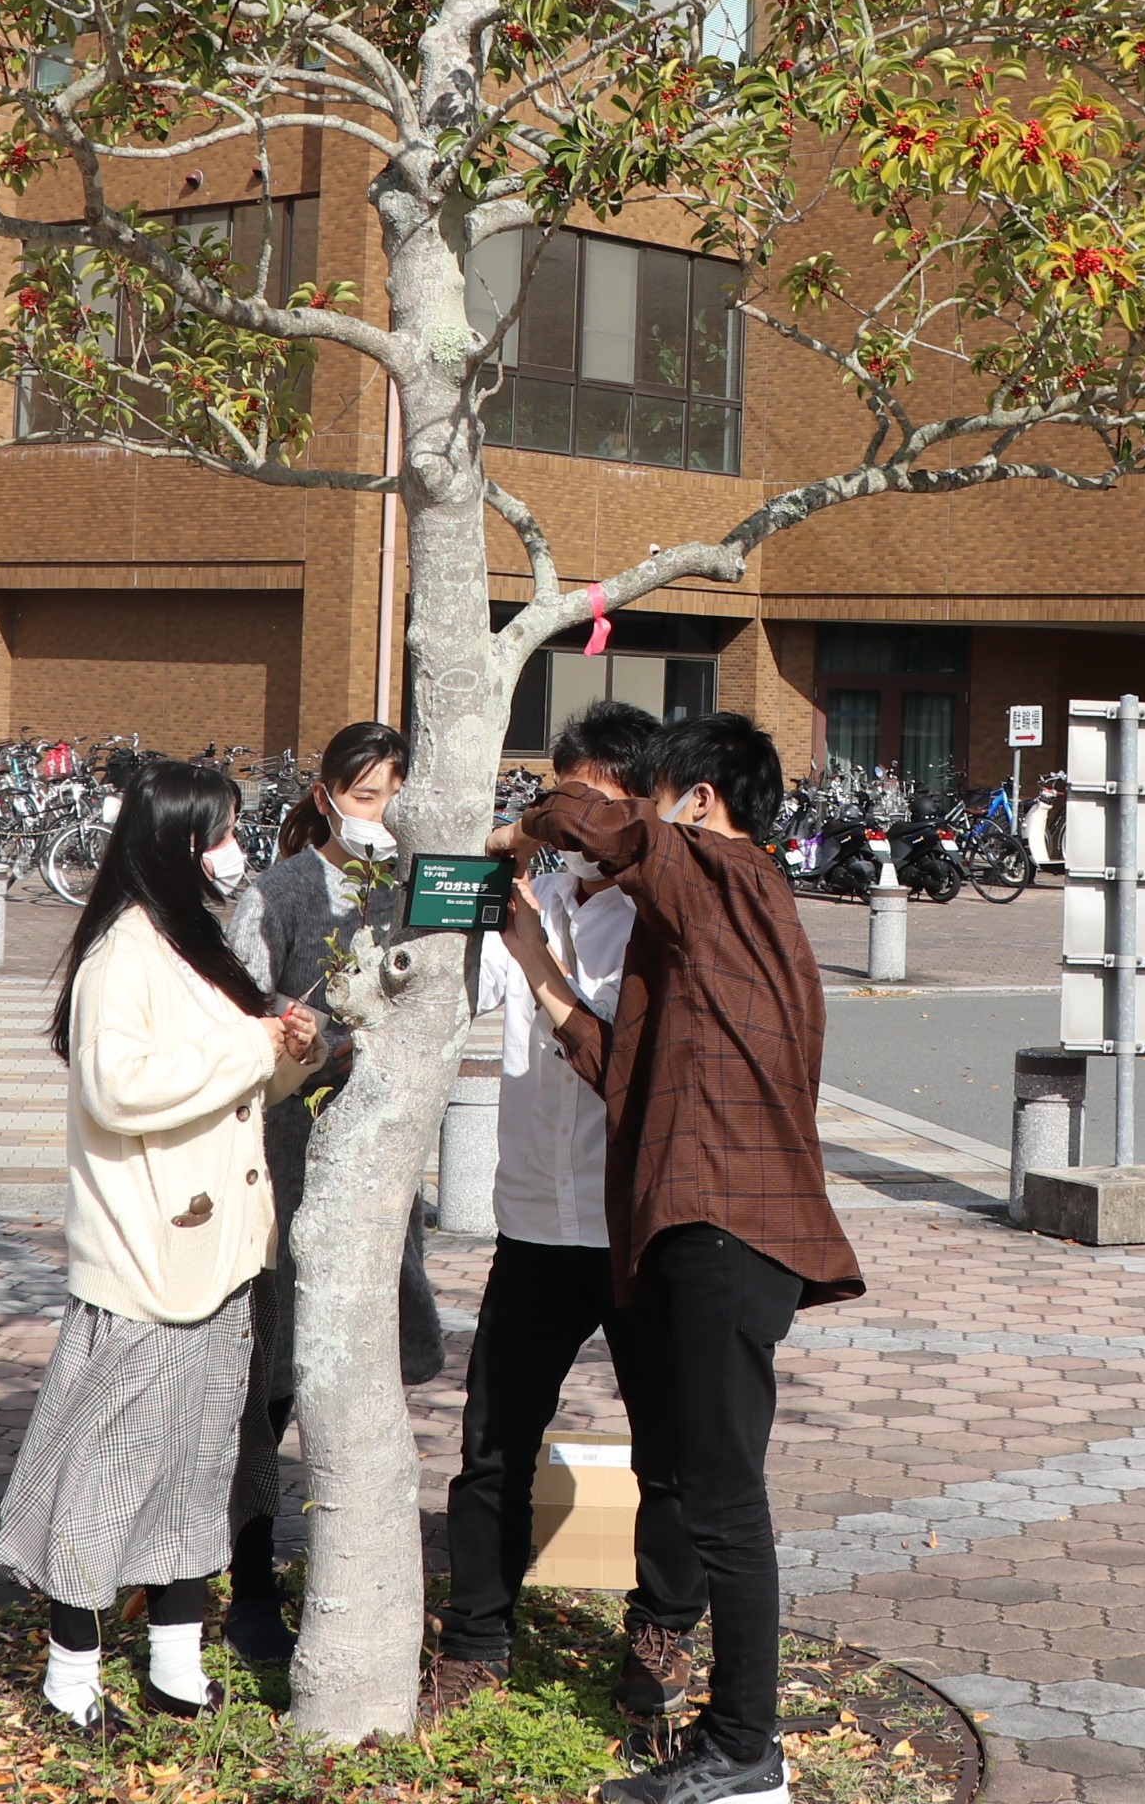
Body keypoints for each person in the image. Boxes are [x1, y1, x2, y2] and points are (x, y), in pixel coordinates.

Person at [496, 712, 861, 1804]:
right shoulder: (717, 928)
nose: (640, 820)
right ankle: (740, 1741)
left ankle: (746, 1750)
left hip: (723, 1229)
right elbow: (626, 1077)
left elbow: (584, 814)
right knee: (714, 1487)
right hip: (711, 1225)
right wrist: (533, 954)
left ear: (698, 802)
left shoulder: (727, 875)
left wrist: (524, 834)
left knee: (721, 1495)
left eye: (658, 798)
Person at [0, 759, 318, 1728]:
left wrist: (289, 1053)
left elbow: (240, 1087)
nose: (234, 851)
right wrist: (256, 1047)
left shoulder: (199, 943)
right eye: (218, 833)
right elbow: (122, 1087)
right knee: (111, 1471)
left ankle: (178, 1668)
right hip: (148, 1264)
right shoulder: (123, 955)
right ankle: (71, 1684)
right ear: (174, 841)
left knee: (197, 1471)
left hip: (220, 1260)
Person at [427, 701, 703, 1727]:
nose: (569, 820)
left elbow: (612, 1060)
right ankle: (477, 1639)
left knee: (670, 1445)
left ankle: (664, 1627)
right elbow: (450, 981)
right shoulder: (529, 888)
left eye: (595, 805)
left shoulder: (666, 914)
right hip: (534, 1224)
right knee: (496, 1442)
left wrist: (533, 945)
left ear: (642, 810)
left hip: (638, 1224)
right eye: (561, 796)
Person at [217, 719, 446, 1663]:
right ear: (324, 795)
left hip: (379, 1166)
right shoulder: (276, 894)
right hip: (285, 1155)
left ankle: (349, 1574)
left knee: (365, 1369)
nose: (379, 814)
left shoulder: (418, 894)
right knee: (268, 1381)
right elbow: (235, 1014)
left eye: (394, 794)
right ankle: (252, 1575)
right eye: (364, 795)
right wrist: (298, 1034)